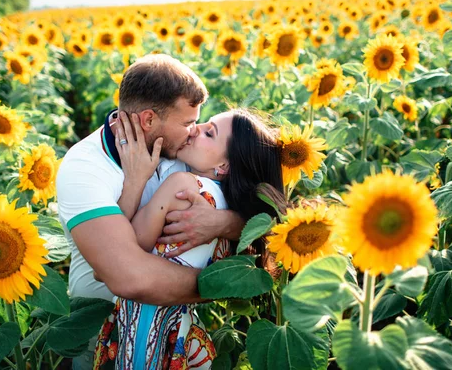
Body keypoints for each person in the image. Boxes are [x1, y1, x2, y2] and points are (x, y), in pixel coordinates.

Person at [55, 54, 244, 369]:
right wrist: (223, 285)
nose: (194, 131)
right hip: (96, 341)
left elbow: (249, 202)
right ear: (148, 120)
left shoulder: (179, 149)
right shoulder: (85, 167)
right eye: (187, 123)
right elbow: (125, 276)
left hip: (168, 337)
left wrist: (223, 222)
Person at [93, 108, 284, 369]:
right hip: (180, 331)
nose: (195, 128)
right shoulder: (232, 208)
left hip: (142, 326)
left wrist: (136, 179)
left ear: (223, 165)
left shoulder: (181, 185)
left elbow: (122, 250)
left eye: (209, 132)